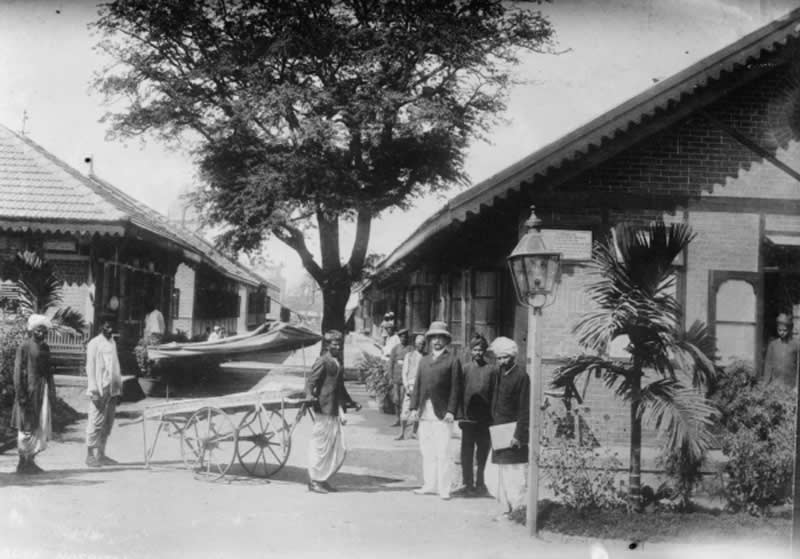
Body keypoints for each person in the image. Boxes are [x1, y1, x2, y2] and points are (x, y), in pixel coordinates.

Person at [409, 321, 462, 500]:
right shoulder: (424, 360)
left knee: (443, 451)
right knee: (427, 450)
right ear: (429, 340)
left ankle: (444, 488)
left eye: (441, 338)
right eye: (433, 338)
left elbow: (456, 388)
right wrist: (414, 407)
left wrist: (451, 411)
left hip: (442, 413)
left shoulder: (453, 360)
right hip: (425, 412)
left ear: (446, 340)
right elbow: (418, 385)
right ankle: (429, 484)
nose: (437, 341)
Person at [306, 330, 361, 494]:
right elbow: (311, 380)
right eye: (334, 344)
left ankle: (322, 479)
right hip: (324, 408)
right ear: (327, 345)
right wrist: (309, 396)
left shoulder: (336, 362)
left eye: (339, 344)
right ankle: (314, 480)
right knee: (320, 445)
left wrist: (351, 402)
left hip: (334, 408)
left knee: (333, 447)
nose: (337, 346)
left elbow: (340, 387)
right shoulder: (323, 361)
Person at [487, 337, 530, 520]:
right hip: (499, 431)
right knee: (496, 474)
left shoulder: (521, 376)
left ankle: (518, 510)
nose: (501, 361)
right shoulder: (498, 374)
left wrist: (519, 434)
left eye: (505, 357)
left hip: (513, 434)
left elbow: (524, 408)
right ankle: (505, 508)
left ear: (513, 356)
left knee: (514, 475)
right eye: (498, 358)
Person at [12, 314, 55, 474]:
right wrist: (21, 395)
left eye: (44, 330)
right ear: (32, 330)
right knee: (26, 427)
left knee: (39, 425)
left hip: (41, 391)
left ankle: (31, 461)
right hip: (28, 392)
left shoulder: (45, 348)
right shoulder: (24, 347)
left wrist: (50, 391)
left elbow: (48, 371)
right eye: (38, 330)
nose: (41, 333)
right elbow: (17, 373)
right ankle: (22, 462)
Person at [453, 334, 495, 497]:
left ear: (484, 351)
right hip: (468, 418)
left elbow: (493, 394)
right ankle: (467, 483)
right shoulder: (465, 369)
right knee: (466, 452)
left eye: (481, 349)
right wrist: (460, 415)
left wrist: (492, 417)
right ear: (471, 351)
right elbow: (459, 392)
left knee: (483, 452)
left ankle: (481, 482)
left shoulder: (491, 370)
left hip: (484, 419)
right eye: (475, 349)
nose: (478, 352)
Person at [85, 320, 123, 468]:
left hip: (112, 388)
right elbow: (90, 367)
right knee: (95, 422)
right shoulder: (94, 344)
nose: (110, 329)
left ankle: (101, 455)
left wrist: (118, 389)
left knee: (107, 423)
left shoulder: (113, 343)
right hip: (99, 389)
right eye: (107, 326)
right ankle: (89, 456)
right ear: (101, 327)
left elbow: (116, 366)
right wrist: (93, 389)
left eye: (111, 326)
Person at [397, 333, 425, 440]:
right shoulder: (409, 355)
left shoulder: (426, 357)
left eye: (423, 344)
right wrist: (406, 386)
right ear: (415, 344)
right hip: (411, 385)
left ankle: (414, 432)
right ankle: (402, 432)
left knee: (418, 411)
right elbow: (404, 372)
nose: (421, 346)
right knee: (405, 410)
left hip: (422, 386)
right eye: (419, 343)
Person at [763, 312, 800, 389]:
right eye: (779, 330)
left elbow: (798, 368)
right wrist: (765, 384)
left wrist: (797, 387)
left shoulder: (796, 345)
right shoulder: (773, 345)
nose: (782, 333)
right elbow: (768, 365)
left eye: (785, 330)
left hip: (790, 386)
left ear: (790, 329)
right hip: (775, 386)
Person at [388, 328, 412, 431]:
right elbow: (391, 363)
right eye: (401, 337)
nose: (403, 339)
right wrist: (390, 377)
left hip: (405, 378)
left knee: (404, 400)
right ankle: (397, 419)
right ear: (399, 338)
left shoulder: (410, 349)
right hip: (396, 378)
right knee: (396, 399)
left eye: (405, 337)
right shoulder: (395, 349)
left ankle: (404, 420)